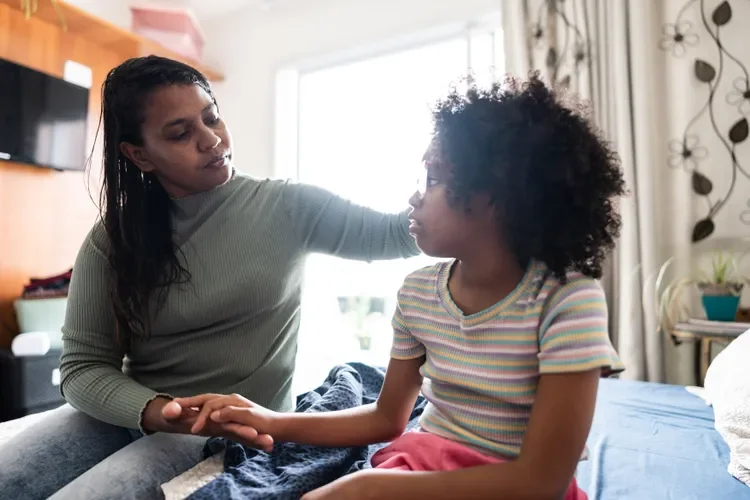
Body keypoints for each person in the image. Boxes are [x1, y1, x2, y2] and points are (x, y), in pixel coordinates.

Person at [176, 74, 627, 500]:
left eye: (433, 178)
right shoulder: (418, 293)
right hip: (424, 461)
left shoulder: (567, 300)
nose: (415, 196)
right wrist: (272, 420)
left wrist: (371, 487)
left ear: (497, 196)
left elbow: (539, 481)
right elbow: (387, 418)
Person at [0, 56, 419, 500]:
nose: (211, 139)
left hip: (232, 431)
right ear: (139, 154)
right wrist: (159, 410)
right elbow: (83, 368)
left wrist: (451, 181)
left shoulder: (288, 207)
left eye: (212, 117)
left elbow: (401, 234)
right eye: (180, 133)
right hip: (134, 413)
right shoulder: (113, 239)